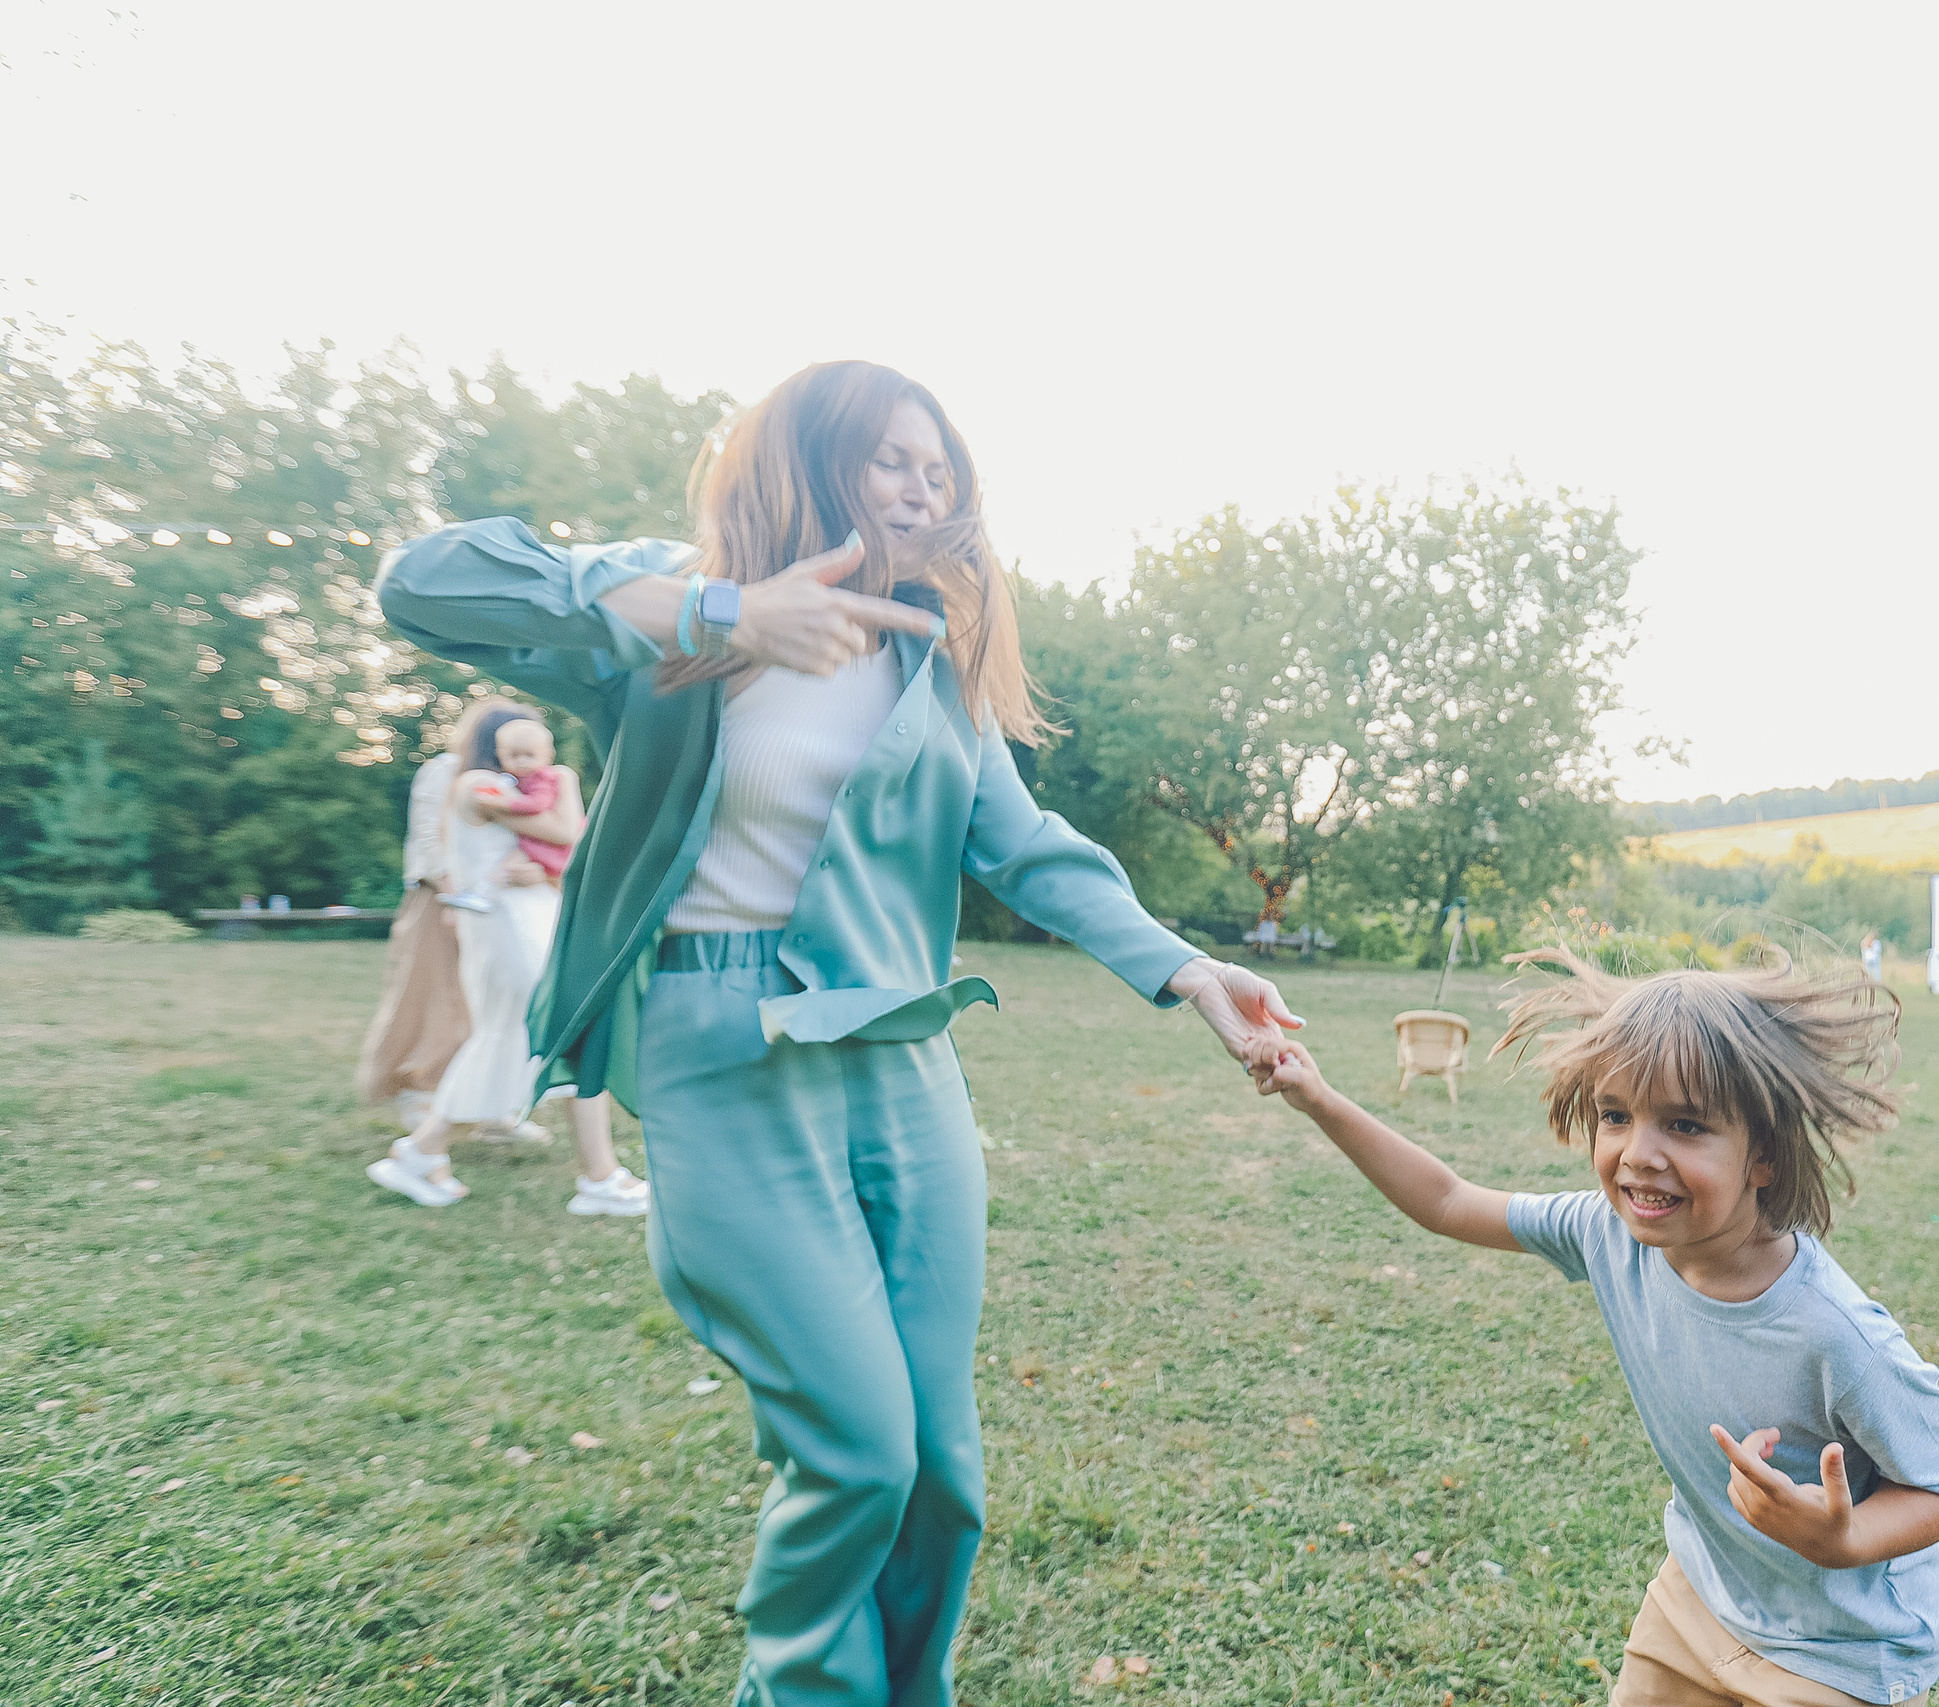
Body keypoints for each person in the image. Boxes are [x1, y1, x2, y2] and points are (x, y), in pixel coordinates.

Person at [372, 360, 1300, 1707]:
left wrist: (1188, 971)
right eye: (893, 458)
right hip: (721, 1040)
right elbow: (424, 581)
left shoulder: (929, 653)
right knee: (858, 1447)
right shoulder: (671, 605)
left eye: (943, 467)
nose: (928, 486)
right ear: (810, 460)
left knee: (939, 1473)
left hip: (903, 1049)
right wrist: (720, 609)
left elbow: (1026, 845)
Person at [1253, 949, 1939, 1707]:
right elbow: (1446, 1200)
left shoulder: (1834, 1333)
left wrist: (1845, 1538)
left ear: (1763, 1154)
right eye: (1616, 1114)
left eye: (1686, 1124)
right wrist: (1320, 1099)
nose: (1639, 1153)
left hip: (1840, 1655)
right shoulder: (1608, 1233)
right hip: (1699, 1596)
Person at [365, 702, 649, 1218]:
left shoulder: (512, 791)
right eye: (519, 750)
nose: (530, 760)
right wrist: (564, 780)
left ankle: (595, 1174)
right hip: (505, 932)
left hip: (529, 925)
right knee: (531, 1038)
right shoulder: (478, 787)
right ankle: (424, 1153)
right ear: (497, 748)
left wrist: (542, 867)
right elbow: (568, 834)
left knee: (542, 1040)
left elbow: (562, 846)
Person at [354, 709, 477, 1129]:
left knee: (487, 1007)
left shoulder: (509, 782)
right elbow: (431, 840)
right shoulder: (442, 772)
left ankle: (487, 1105)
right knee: (432, 999)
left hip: (490, 906)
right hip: (438, 900)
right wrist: (453, 901)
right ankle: (418, 1091)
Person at [441, 716, 582, 913]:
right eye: (514, 754)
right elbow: (563, 832)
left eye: (529, 754)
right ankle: (482, 894)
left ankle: (482, 894)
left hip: (529, 875)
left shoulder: (541, 779)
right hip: (514, 899)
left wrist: (502, 802)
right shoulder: (483, 783)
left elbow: (551, 819)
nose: (522, 762)